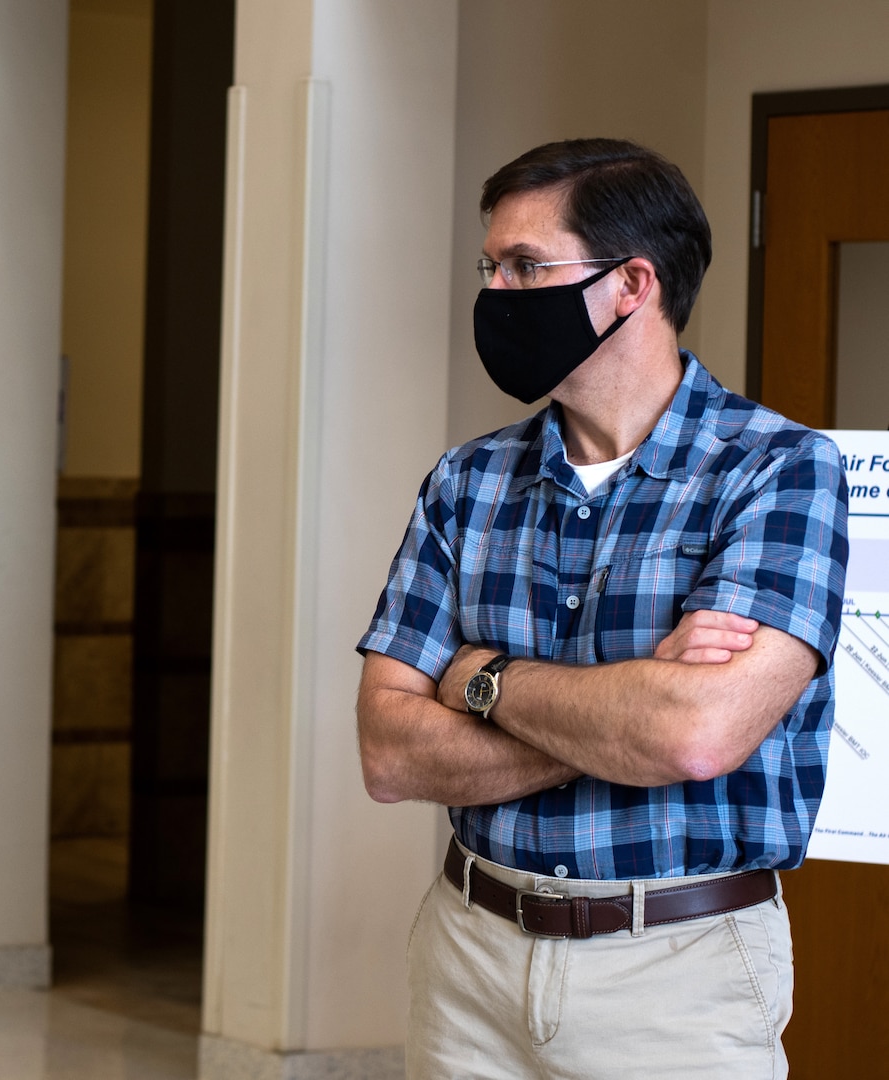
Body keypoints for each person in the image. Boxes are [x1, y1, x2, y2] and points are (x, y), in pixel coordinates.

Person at [356, 139, 849, 1078]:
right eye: (489, 268)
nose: (495, 293)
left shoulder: (780, 472)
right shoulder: (466, 482)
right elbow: (387, 751)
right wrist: (626, 711)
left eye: (526, 267)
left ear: (631, 284)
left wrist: (478, 677)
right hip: (468, 952)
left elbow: (694, 740)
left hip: (676, 969)